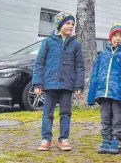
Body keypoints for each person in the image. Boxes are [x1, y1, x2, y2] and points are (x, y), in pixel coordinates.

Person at [32, 11, 85, 151]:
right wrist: (38, 83)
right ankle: (46, 139)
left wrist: (79, 85)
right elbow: (39, 64)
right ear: (60, 24)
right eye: (68, 23)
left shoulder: (75, 45)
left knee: (65, 113)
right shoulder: (48, 42)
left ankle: (63, 139)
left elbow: (80, 66)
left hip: (67, 85)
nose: (71, 26)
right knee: (47, 113)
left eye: (73, 24)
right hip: (50, 84)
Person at [88, 23, 121, 154]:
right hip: (103, 93)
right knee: (105, 117)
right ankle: (106, 139)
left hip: (118, 95)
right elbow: (95, 75)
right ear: (110, 38)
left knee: (117, 118)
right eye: (115, 35)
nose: (117, 38)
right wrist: (91, 95)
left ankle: (116, 139)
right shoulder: (102, 55)